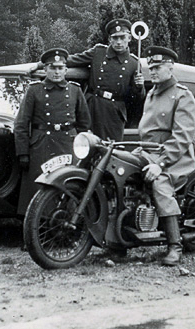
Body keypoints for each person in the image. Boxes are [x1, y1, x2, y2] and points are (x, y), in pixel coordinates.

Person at [133, 46, 195, 266]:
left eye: (158, 67)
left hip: (176, 156)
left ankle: (174, 245)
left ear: (170, 68)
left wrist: (160, 164)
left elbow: (182, 138)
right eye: (150, 67)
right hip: (151, 151)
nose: (152, 71)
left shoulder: (182, 95)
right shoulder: (152, 94)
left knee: (160, 184)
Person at [14, 48, 91, 214]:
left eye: (60, 68)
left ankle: (66, 223)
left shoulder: (75, 90)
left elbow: (84, 124)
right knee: (40, 189)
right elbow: (21, 123)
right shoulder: (34, 90)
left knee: (67, 186)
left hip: (67, 145)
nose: (57, 72)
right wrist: (23, 153)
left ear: (66, 70)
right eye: (52, 68)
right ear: (45, 69)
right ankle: (37, 226)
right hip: (42, 145)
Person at [63, 18, 146, 140]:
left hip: (114, 113)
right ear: (109, 39)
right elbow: (72, 60)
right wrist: (43, 63)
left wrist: (139, 86)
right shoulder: (98, 53)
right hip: (93, 107)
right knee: (86, 146)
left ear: (129, 38)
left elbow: (136, 98)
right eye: (115, 38)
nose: (118, 42)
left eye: (122, 38)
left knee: (111, 149)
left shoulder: (134, 63)